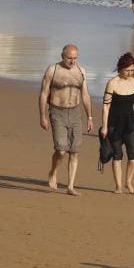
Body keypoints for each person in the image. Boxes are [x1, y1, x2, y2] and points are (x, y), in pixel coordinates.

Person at [39, 44, 93, 196]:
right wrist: (42, 116)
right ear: (62, 56)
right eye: (69, 58)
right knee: (61, 150)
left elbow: (85, 95)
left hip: (75, 113)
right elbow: (43, 94)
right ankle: (53, 172)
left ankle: (70, 186)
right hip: (57, 112)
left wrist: (89, 117)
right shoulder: (53, 70)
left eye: (75, 58)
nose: (72, 61)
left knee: (74, 151)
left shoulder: (81, 71)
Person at [100, 53, 134, 194]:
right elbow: (106, 106)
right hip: (114, 124)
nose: (129, 73)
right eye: (127, 70)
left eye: (132, 70)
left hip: (130, 122)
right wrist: (104, 126)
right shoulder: (112, 83)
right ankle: (118, 186)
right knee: (117, 155)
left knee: (133, 155)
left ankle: (128, 182)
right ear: (120, 68)